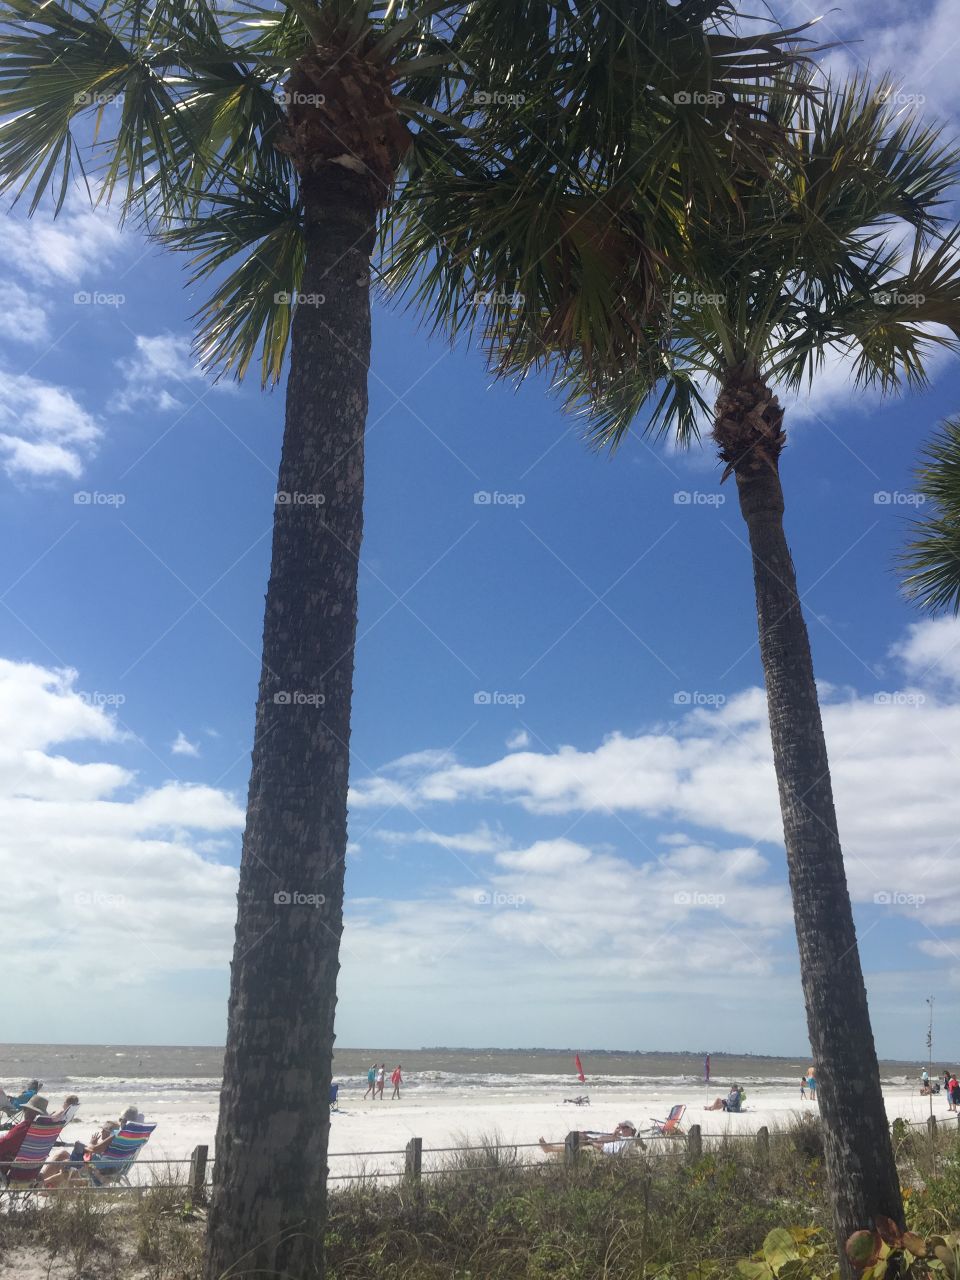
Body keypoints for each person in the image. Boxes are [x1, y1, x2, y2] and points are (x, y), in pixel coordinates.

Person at [43, 1105, 140, 1188]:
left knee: (65, 1160)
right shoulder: (137, 1138)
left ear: (124, 1121)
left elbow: (94, 1149)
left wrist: (91, 1144)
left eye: (120, 1119)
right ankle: (42, 1183)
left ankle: (40, 1183)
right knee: (64, 1156)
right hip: (114, 1169)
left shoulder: (118, 1135)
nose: (119, 1121)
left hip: (98, 1170)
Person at [0, 1095, 50, 1182]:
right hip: (32, 1173)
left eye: (25, 1109)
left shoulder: (24, 1128)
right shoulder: (45, 1131)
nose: (24, 1111)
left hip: (9, 1171)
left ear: (30, 1112)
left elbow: (3, 1145)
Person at [539, 1122, 639, 1155]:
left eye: (625, 1127)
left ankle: (550, 1149)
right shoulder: (623, 1137)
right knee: (581, 1136)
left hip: (601, 1150)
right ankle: (550, 1148)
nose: (623, 1129)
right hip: (600, 1146)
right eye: (622, 1127)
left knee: (580, 1143)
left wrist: (591, 1143)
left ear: (631, 1130)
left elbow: (609, 1150)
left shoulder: (628, 1140)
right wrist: (614, 1135)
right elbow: (607, 1139)